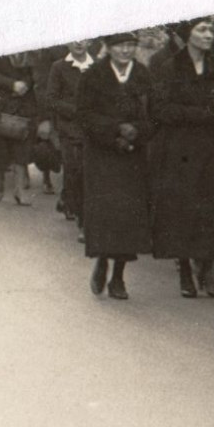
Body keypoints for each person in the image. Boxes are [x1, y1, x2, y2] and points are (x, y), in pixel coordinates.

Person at [150, 17, 214, 298]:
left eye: (211, 30)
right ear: (188, 35)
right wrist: (199, 114)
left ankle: (206, 269)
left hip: (210, 149)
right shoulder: (169, 68)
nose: (209, 35)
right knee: (182, 210)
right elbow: (160, 109)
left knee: (210, 209)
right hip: (178, 150)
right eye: (202, 30)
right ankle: (184, 268)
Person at [78, 31, 156, 299]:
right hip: (102, 155)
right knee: (106, 214)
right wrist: (114, 132)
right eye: (119, 45)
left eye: (130, 45)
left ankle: (119, 276)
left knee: (128, 218)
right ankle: (102, 261)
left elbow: (155, 115)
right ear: (108, 48)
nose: (125, 50)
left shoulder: (143, 75)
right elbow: (85, 115)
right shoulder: (93, 76)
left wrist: (137, 130)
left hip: (133, 156)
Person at [43, 41, 96, 232]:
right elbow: (51, 99)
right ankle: (75, 209)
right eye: (74, 39)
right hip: (69, 128)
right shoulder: (59, 67)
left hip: (92, 129)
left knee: (86, 171)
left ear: (90, 41)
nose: (79, 43)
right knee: (73, 168)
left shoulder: (97, 66)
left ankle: (70, 200)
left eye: (84, 39)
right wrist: (75, 111)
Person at [0, 52, 40, 206]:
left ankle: (19, 190)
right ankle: (0, 181)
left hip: (24, 103)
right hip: (2, 104)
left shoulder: (28, 49)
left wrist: (25, 84)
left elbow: (34, 73)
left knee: (22, 149)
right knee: (1, 148)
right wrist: (12, 84)